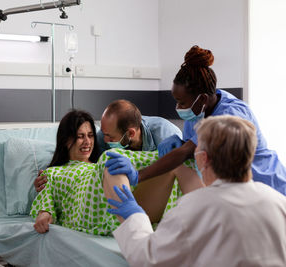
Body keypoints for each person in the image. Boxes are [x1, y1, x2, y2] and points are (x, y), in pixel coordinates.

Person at [106, 115, 286, 266]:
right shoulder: (278, 202)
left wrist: (134, 217)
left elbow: (147, 258)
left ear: (204, 158)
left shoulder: (192, 208)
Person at [107, 45, 286, 195]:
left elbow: (186, 151)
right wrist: (181, 142)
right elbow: (190, 148)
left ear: (202, 99)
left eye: (182, 102)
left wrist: (139, 175)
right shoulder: (197, 112)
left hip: (268, 184)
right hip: (235, 191)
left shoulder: (231, 115)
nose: (178, 107)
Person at [30, 110, 194, 235]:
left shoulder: (99, 164)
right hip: (89, 213)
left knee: (178, 162)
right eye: (80, 136)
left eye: (90, 135)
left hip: (127, 204)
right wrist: (43, 217)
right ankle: (135, 233)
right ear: (66, 140)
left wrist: (179, 152)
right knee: (112, 159)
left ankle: (208, 223)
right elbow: (45, 205)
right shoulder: (52, 173)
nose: (87, 142)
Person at [33, 99, 182, 192]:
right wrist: (50, 177)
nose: (103, 140)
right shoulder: (102, 138)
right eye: (103, 133)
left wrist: (138, 175)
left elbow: (179, 175)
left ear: (130, 134)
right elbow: (80, 159)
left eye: (109, 136)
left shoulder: (165, 135)